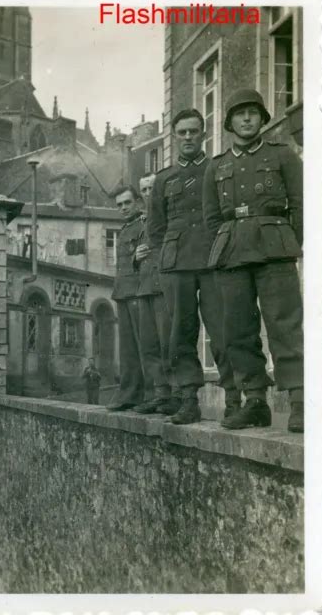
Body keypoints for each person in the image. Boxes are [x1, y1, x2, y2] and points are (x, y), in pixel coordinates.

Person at [202, 88, 303, 432]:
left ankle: (301, 401)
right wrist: (225, 246)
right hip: (232, 255)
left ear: (262, 118)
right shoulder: (217, 167)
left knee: (284, 324)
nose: (247, 118)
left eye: (253, 112)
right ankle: (255, 401)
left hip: (275, 249)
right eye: (240, 113)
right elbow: (212, 219)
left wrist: (292, 243)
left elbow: (301, 206)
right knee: (238, 330)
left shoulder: (283, 156)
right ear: (229, 122)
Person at [148, 108, 239, 424]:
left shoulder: (217, 169)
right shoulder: (163, 179)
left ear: (203, 133)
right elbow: (155, 230)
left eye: (193, 131)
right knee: (180, 333)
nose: (188, 137)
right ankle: (188, 398)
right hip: (176, 266)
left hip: (214, 261)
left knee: (222, 329)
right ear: (174, 137)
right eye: (182, 132)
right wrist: (166, 262)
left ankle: (234, 398)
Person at [133, 174, 182, 415]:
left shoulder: (170, 214)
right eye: (143, 188)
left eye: (152, 187)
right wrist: (135, 256)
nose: (148, 192)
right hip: (144, 289)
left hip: (164, 286)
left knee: (168, 343)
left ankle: (176, 394)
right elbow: (137, 256)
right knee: (149, 345)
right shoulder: (140, 222)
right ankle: (161, 394)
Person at [108, 185, 152, 411]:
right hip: (124, 291)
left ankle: (148, 395)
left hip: (138, 290)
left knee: (142, 345)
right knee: (127, 348)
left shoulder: (144, 224)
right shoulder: (125, 228)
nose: (123, 208)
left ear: (138, 201)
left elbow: (147, 253)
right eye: (119, 205)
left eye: (127, 202)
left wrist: (138, 257)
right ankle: (129, 393)